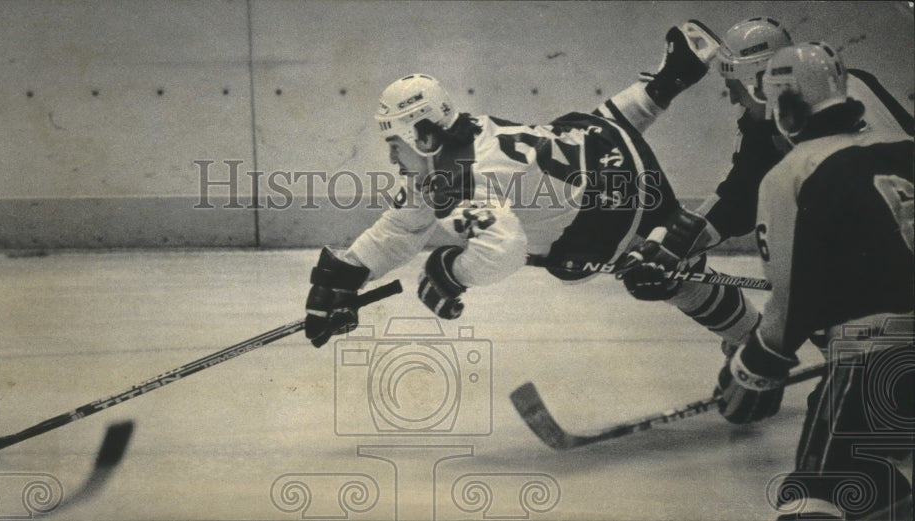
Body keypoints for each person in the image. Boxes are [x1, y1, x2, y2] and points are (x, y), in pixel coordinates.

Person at [303, 21, 763, 354]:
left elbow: (503, 250)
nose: (391, 157)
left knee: (667, 276)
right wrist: (347, 273)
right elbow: (402, 227)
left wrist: (450, 273)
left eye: (394, 143)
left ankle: (756, 344)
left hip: (612, 209)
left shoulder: (460, 178)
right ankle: (661, 85)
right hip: (598, 148)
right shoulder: (462, 140)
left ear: (423, 137)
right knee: (667, 259)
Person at [616, 15, 915, 422]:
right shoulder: (841, 95)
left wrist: (758, 360)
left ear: (762, 81)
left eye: (736, 87)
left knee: (842, 440)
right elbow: (739, 194)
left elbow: (793, 294)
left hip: (884, 298)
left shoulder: (796, 160)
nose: (736, 100)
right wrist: (675, 245)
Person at [712, 42, 914, 520]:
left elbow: (787, 309)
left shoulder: (792, 174)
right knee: (871, 481)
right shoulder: (908, 149)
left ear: (784, 104)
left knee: (814, 494)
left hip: (878, 356)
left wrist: (748, 372)